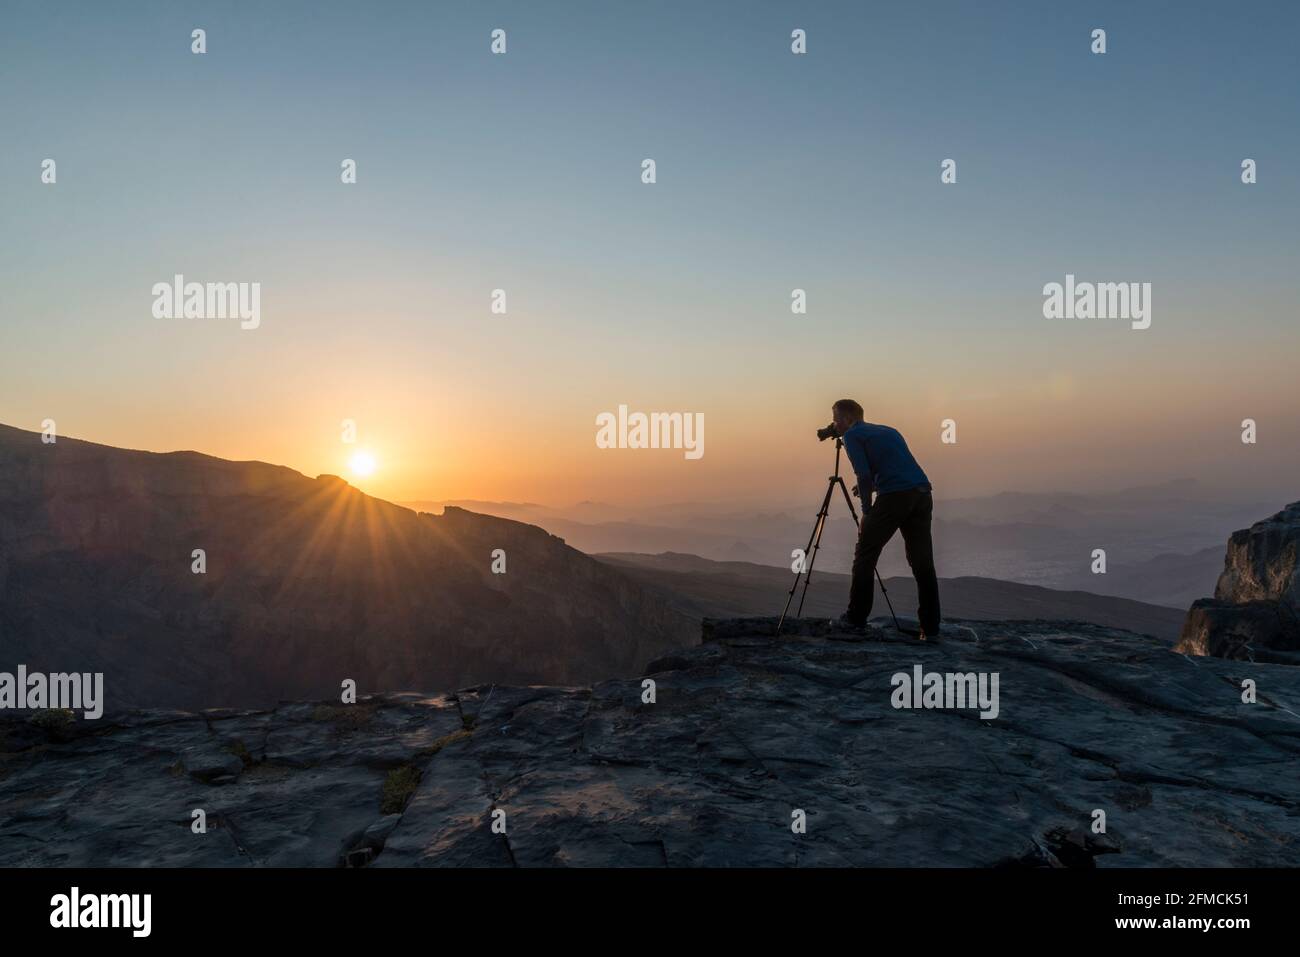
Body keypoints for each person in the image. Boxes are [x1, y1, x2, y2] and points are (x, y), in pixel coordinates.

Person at [831, 398, 941, 638]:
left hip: (895, 496)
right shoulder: (889, 431)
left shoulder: (852, 436)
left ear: (848, 419)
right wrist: (870, 487)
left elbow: (863, 473)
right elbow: (893, 466)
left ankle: (855, 618)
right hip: (922, 493)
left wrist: (867, 511)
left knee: (865, 555)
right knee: (923, 564)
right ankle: (931, 628)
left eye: (836, 419)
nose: (835, 425)